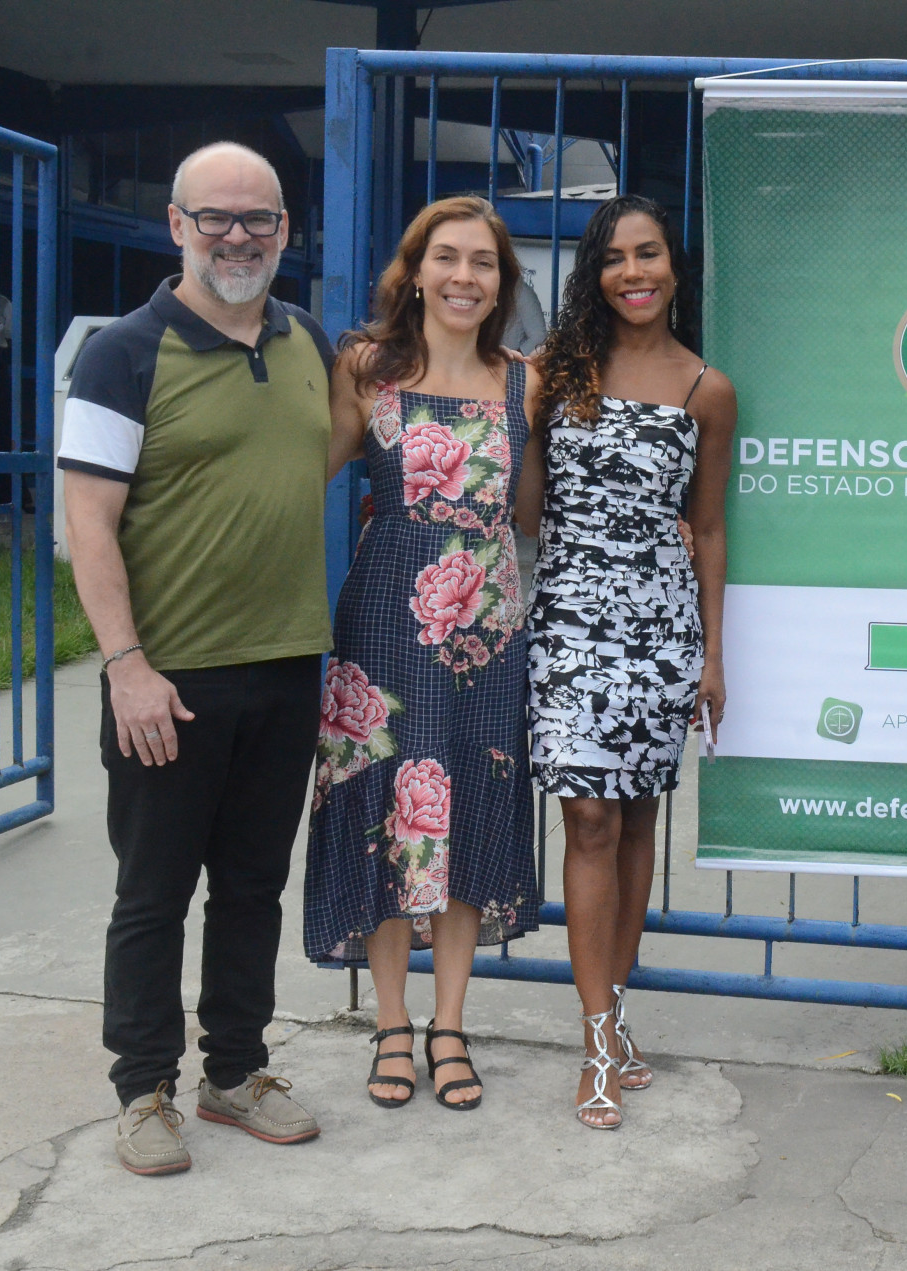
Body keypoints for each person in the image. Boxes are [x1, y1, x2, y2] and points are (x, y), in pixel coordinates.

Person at [59, 141, 331, 1176]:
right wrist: (124, 662)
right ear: (176, 224)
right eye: (215, 217)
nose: (238, 236)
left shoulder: (305, 339)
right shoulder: (123, 354)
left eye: (258, 220)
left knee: (256, 885)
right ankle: (143, 1089)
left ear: (285, 233)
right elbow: (89, 525)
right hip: (166, 679)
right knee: (154, 890)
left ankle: (234, 1070)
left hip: (285, 663)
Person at [303, 195, 541, 1111]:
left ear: (501, 283)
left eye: (482, 263)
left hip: (489, 630)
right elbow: (308, 467)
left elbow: (531, 513)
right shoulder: (367, 369)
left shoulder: (524, 380)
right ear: (416, 270)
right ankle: (390, 1026)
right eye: (446, 258)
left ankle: (451, 1025)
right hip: (387, 623)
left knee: (471, 801)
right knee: (389, 809)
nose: (463, 277)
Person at [528, 194, 734, 1130]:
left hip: (661, 626)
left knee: (638, 818)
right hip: (571, 614)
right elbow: (529, 511)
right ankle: (596, 1034)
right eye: (613, 259)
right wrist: (525, 417)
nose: (633, 273)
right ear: (594, 274)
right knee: (588, 812)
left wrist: (713, 656)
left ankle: (615, 1016)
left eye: (648, 254)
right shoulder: (559, 371)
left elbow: (711, 526)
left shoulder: (708, 389)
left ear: (674, 266)